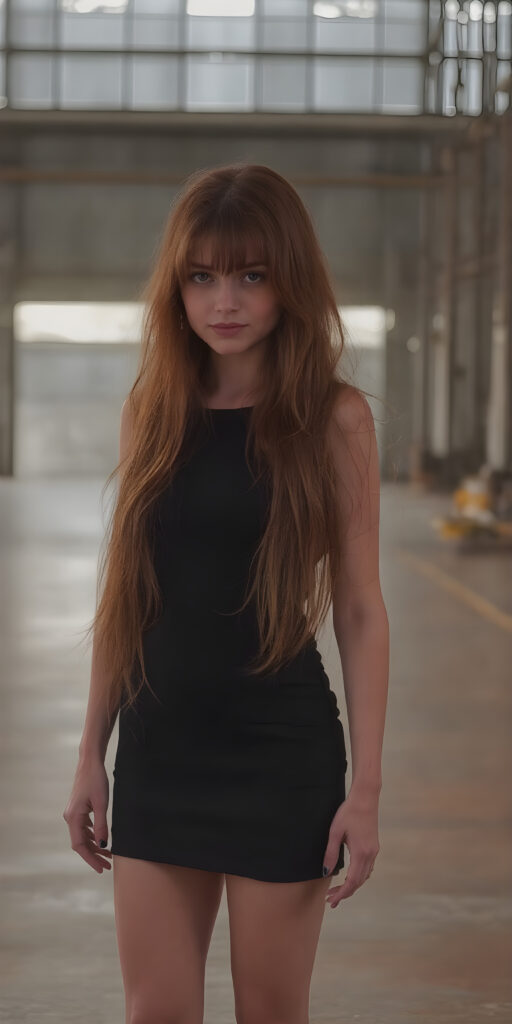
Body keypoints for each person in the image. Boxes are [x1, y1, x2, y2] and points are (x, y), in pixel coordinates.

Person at [63, 162, 389, 1024]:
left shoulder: (335, 419)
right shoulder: (153, 411)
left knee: (271, 1011)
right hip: (161, 752)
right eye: (201, 277)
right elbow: (124, 592)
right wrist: (91, 750)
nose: (225, 300)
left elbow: (360, 608)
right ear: (177, 288)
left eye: (252, 274)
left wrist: (368, 790)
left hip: (280, 758)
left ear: (291, 281)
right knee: (155, 1012)